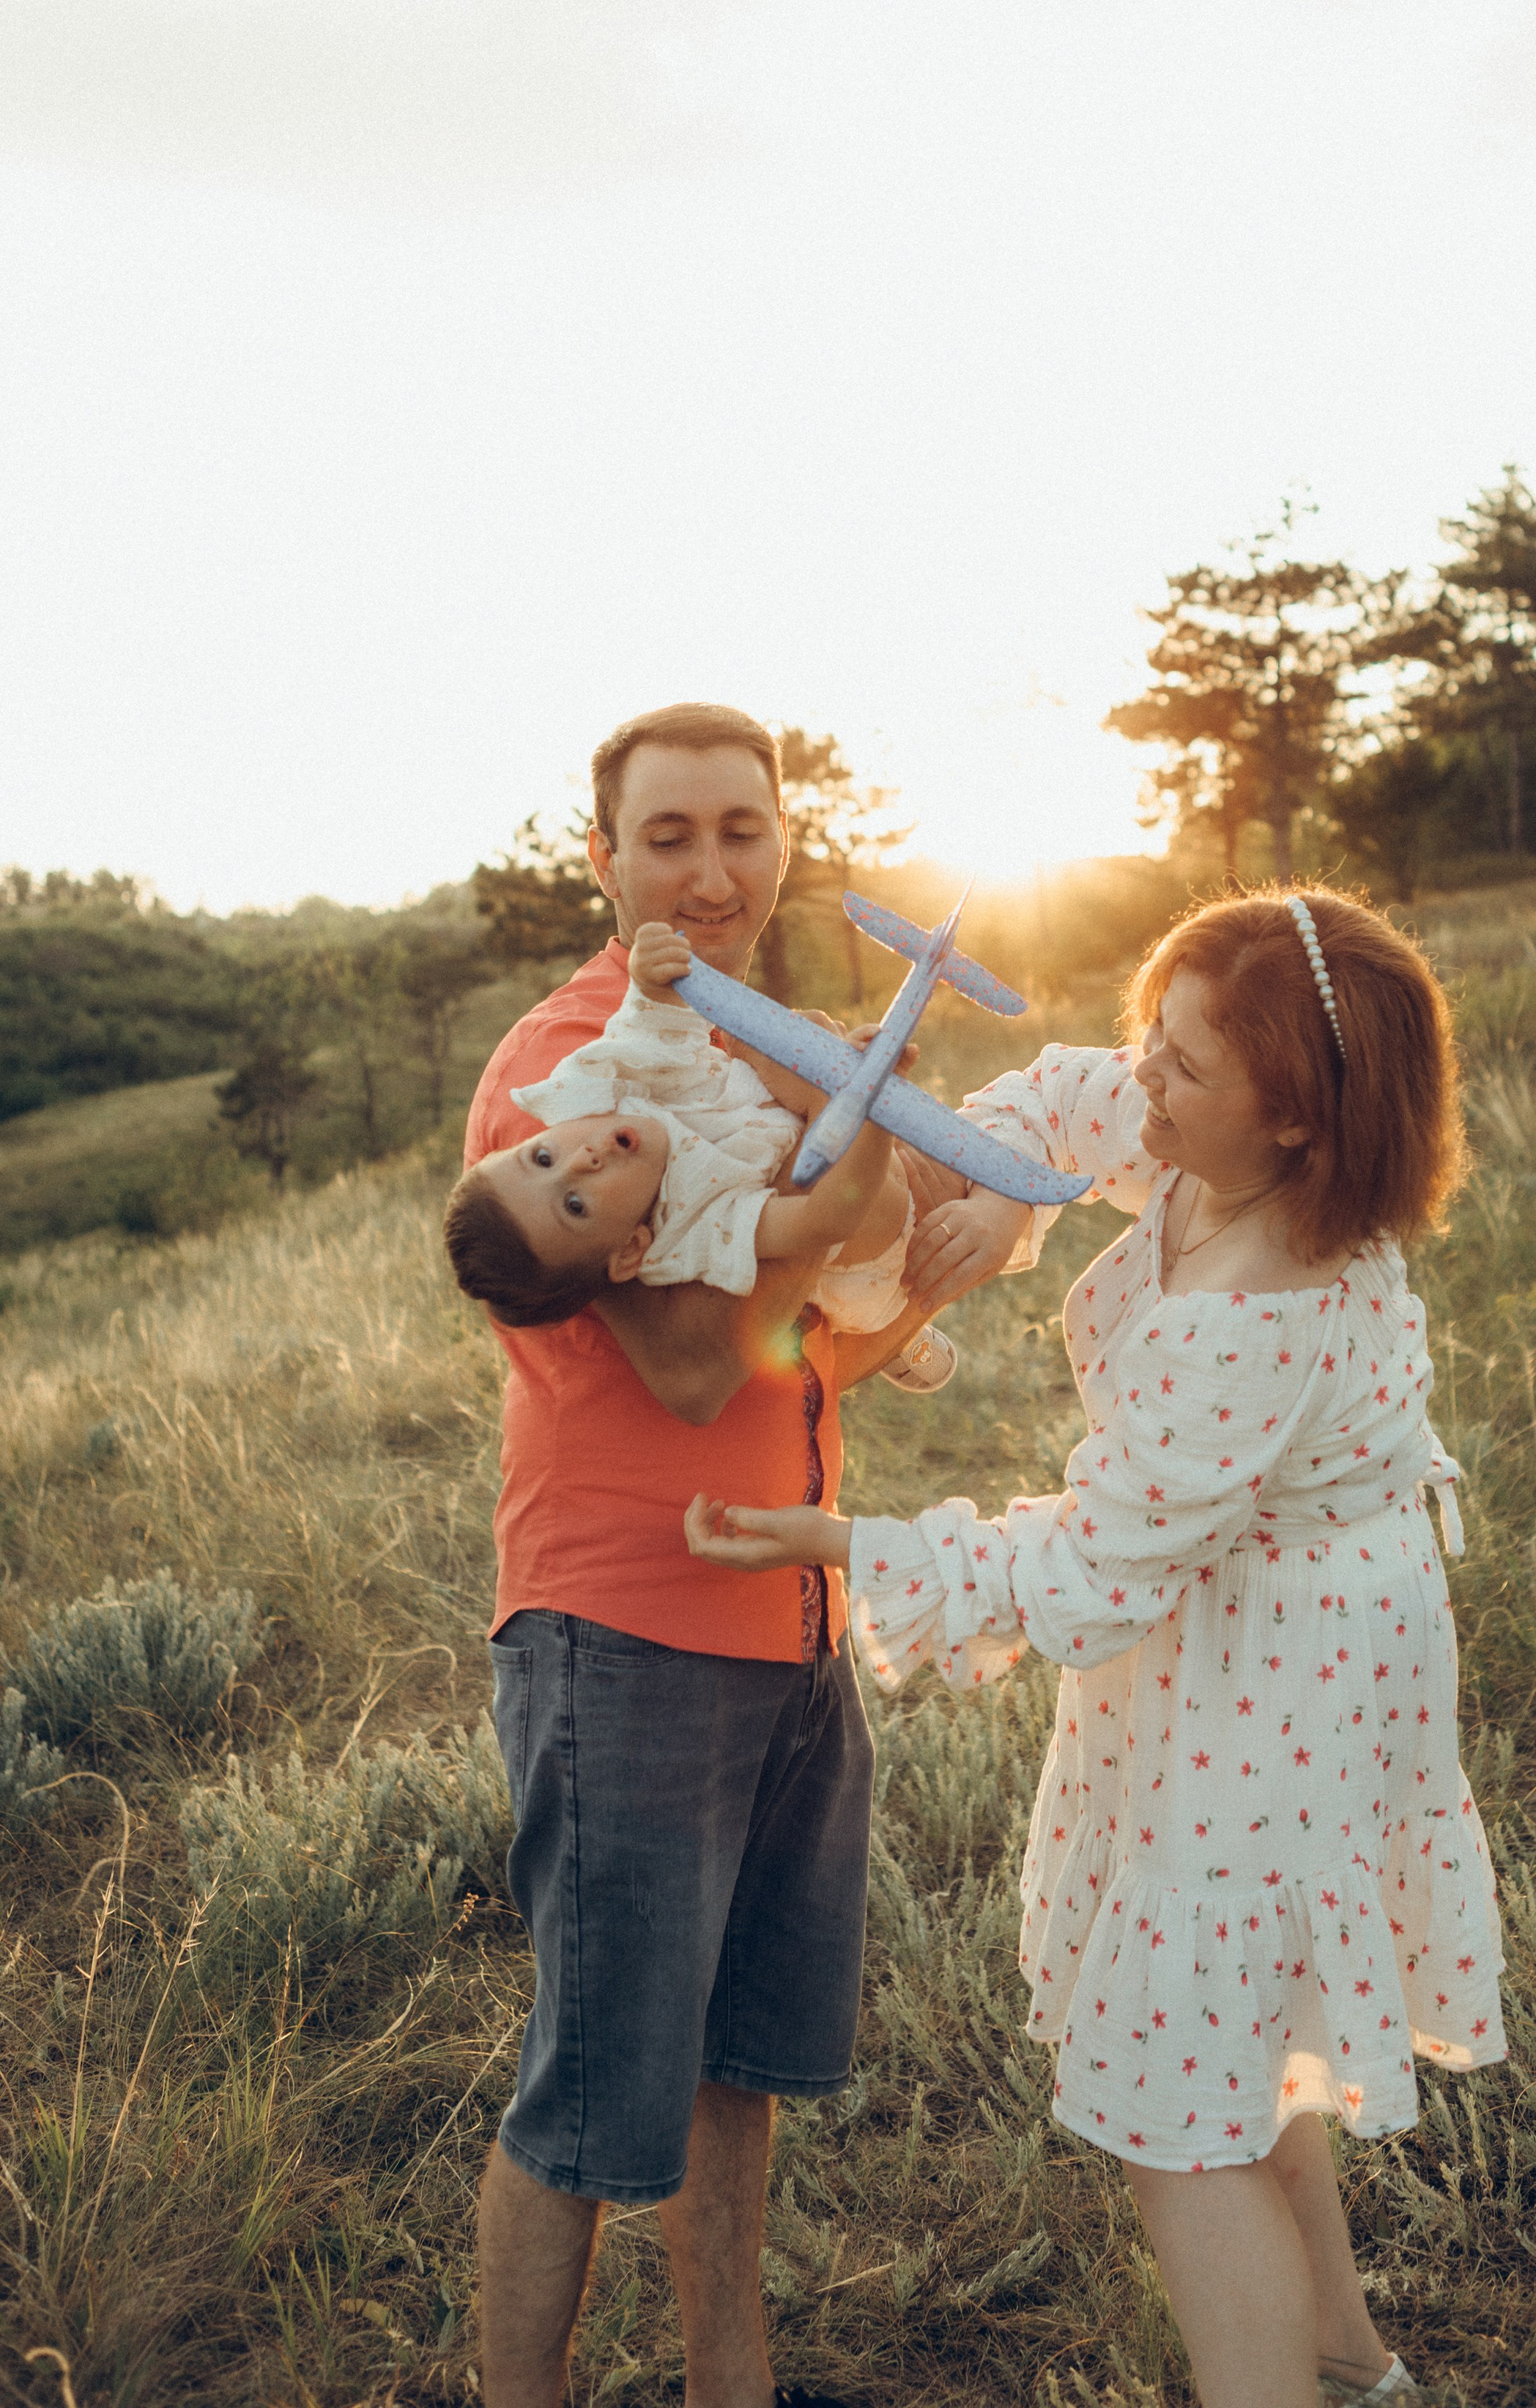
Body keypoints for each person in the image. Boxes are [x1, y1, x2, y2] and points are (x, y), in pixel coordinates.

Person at [686, 887, 1506, 2408]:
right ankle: (1347, 2360)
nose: (1146, 1080)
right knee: (1243, 2020)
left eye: (1187, 1069)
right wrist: (1015, 1191)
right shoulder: (1210, 1153)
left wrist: (853, 1547)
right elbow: (1066, 1091)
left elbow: (1091, 1566)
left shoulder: (1257, 1314)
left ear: (1300, 1130)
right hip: (1249, 1631)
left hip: (1285, 1664)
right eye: (1157, 1033)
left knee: (1171, 2108)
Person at [466, 703, 933, 2408]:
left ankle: (724, 2389)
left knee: (733, 2066)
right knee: (595, 2099)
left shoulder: (783, 1043)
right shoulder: (576, 1074)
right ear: (604, 861)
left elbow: (794, 1355)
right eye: (669, 834)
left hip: (788, 1613)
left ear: (785, 841)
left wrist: (918, 1268)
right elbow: (677, 1365)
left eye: (743, 827)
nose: (712, 866)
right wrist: (853, 1170)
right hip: (624, 1632)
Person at [444, 919, 917, 1336]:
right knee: (857, 1298)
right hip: (868, 1275)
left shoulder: (603, 1089)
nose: (580, 1160)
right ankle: (893, 1337)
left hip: (824, 1137)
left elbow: (653, 1016)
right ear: (630, 1250)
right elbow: (825, 1220)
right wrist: (870, 1106)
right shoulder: (694, 1228)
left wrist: (649, 970)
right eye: (575, 1204)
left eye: (542, 1157)